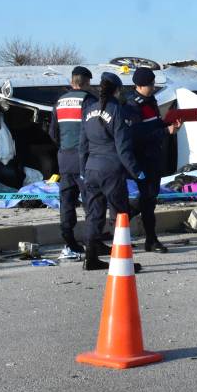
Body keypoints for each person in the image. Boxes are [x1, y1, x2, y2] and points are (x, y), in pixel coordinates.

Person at [79, 72, 146, 272]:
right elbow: (123, 148)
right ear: (117, 90)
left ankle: (90, 258)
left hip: (91, 169)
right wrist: (136, 172)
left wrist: (84, 170)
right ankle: (123, 262)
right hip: (111, 171)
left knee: (94, 215)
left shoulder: (88, 110)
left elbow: (82, 145)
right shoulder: (117, 110)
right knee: (120, 216)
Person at [126, 66, 181, 253]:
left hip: (154, 157)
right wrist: (166, 131)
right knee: (148, 200)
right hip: (143, 158)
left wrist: (169, 123)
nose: (152, 87)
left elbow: (154, 124)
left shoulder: (151, 102)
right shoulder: (133, 106)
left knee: (150, 198)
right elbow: (137, 135)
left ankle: (122, 219)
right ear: (139, 86)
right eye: (149, 85)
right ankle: (150, 239)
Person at [48, 65, 98, 261]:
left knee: (67, 201)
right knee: (91, 201)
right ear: (86, 83)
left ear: (71, 82)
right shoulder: (89, 100)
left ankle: (69, 241)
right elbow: (94, 129)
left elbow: (53, 133)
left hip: (64, 158)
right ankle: (93, 241)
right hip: (84, 158)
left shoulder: (58, 102)